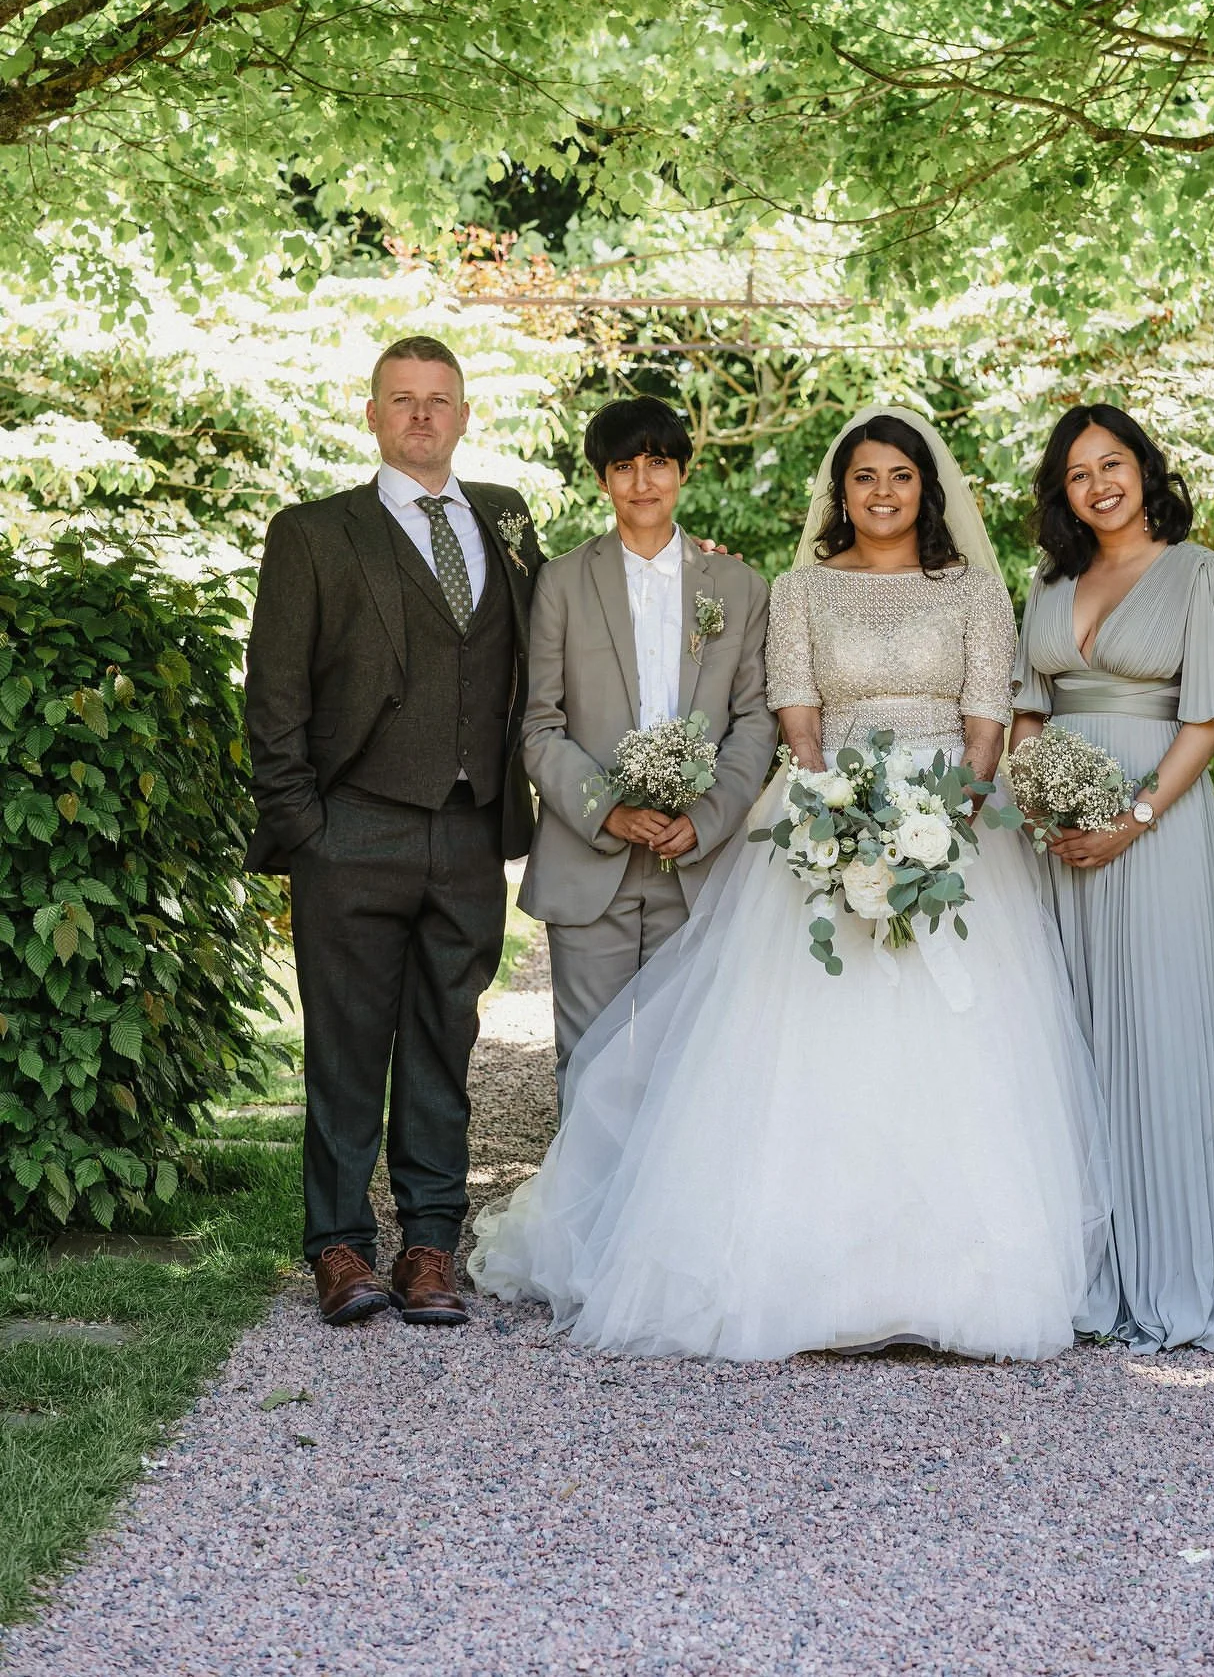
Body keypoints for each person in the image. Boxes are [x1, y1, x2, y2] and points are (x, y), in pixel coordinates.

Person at [469, 406, 1115, 1361]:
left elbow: (986, 723)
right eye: (864, 478)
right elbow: (796, 719)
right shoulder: (802, 587)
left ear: (925, 488)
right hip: (826, 816)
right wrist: (841, 820)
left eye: (900, 476)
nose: (882, 493)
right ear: (840, 490)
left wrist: (942, 828)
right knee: (799, 1057)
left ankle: (955, 1282)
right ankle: (801, 1274)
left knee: (961, 1060)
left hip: (955, 830)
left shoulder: (975, 589)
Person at [244, 335, 541, 1331]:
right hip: (352, 827)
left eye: (438, 400)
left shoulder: (505, 520)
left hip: (466, 836)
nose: (421, 415)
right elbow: (274, 696)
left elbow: (562, 623)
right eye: (402, 400)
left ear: (462, 415)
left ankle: (428, 1245)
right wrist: (306, 829)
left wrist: (682, 568)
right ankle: (337, 1243)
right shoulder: (316, 533)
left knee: (441, 1044)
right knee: (344, 1046)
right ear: (372, 415)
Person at [1010, 401, 1214, 1352]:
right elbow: (1028, 708)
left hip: (1154, 829)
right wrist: (1042, 802)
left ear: (1145, 468)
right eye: (1079, 473)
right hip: (1053, 836)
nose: (1100, 485)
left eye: (1113, 463)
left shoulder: (1199, 575)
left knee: (1157, 1032)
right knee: (1068, 1039)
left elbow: (1206, 720)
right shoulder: (1051, 578)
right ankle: (1087, 1264)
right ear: (1064, 493)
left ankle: (1173, 1269)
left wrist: (1129, 818)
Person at [519, 394, 778, 1100]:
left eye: (658, 463)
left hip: (697, 860)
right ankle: (585, 1213)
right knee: (590, 1062)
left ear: (683, 473)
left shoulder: (739, 585)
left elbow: (756, 720)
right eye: (624, 465)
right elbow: (540, 724)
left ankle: (663, 1215)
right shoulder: (561, 583)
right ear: (602, 480)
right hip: (589, 852)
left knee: (687, 1068)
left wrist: (708, 817)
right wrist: (608, 811)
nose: (642, 481)